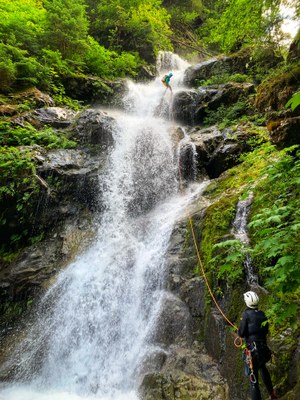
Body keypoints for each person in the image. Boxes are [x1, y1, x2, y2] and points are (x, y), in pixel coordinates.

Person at [238, 291, 277, 400]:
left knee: (253, 380)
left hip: (252, 350)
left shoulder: (245, 315)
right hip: (263, 349)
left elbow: (241, 333)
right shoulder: (262, 314)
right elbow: (265, 330)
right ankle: (272, 393)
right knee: (262, 367)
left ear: (247, 302)